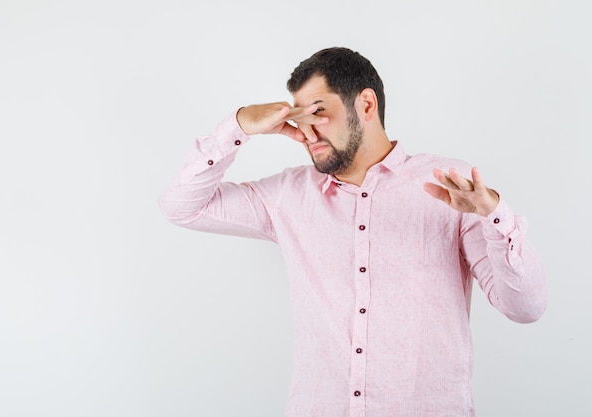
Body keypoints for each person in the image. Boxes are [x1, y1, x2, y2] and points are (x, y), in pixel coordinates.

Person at [158, 47, 547, 417]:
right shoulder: (287, 196)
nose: (308, 133)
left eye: (319, 112)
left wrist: (495, 215)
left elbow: (525, 308)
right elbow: (181, 206)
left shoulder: (449, 186)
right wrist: (238, 125)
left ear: (365, 105)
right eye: (299, 119)